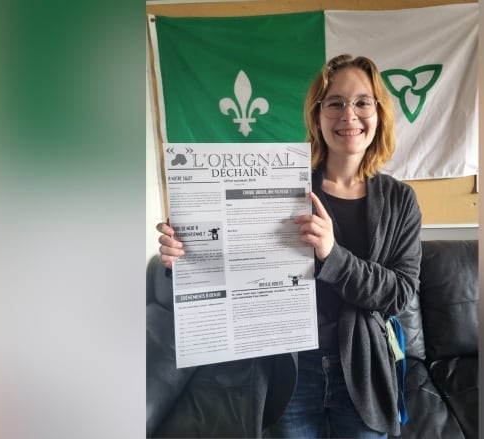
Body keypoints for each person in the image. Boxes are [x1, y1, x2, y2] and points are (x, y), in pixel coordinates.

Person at [156, 54, 422, 438]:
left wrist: (334, 256)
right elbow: (237, 260)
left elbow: (399, 293)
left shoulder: (400, 201)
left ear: (379, 114)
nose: (349, 115)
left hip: (362, 368)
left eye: (363, 102)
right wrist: (184, 256)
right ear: (317, 116)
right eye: (335, 103)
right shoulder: (278, 186)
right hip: (290, 369)